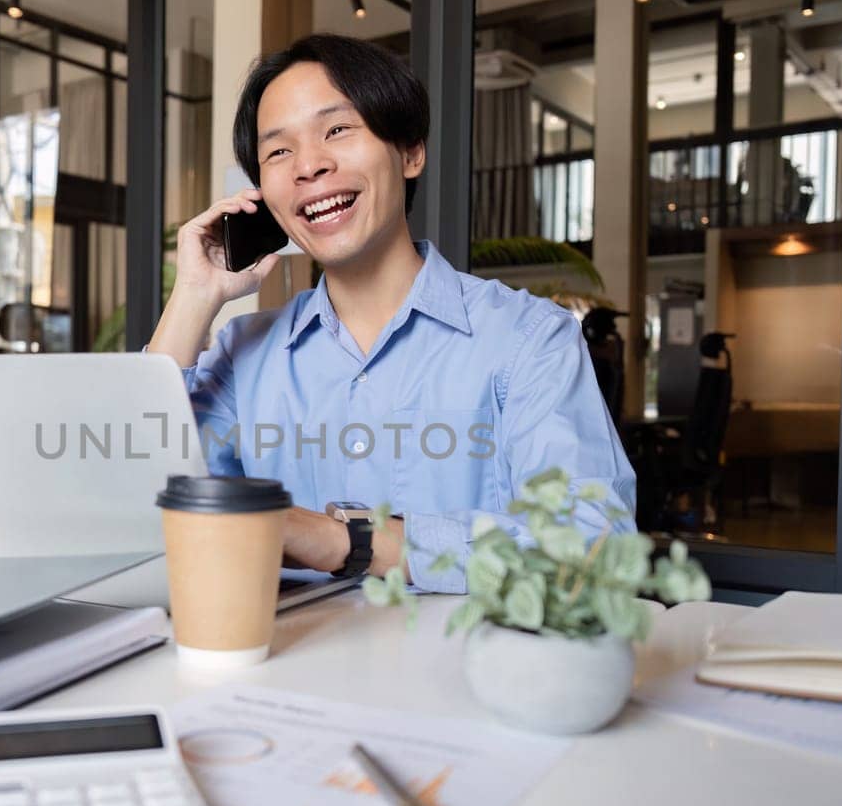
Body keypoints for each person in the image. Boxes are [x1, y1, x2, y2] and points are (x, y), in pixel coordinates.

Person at [147, 34, 635, 593]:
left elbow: (596, 550)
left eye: (337, 130)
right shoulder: (242, 352)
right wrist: (191, 296)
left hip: (465, 674)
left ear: (409, 152)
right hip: (276, 667)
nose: (309, 165)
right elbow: (126, 508)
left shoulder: (529, 339)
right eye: (278, 151)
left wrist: (347, 541)